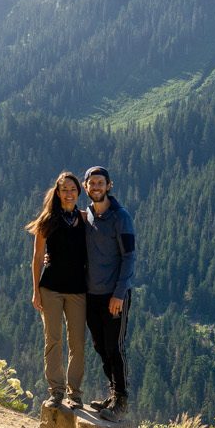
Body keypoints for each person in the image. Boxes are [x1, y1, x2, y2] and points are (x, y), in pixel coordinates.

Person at [27, 171, 89, 406]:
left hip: (77, 289)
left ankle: (75, 393)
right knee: (52, 340)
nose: (69, 193)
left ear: (78, 192)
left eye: (73, 189)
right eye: (65, 189)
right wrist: (35, 290)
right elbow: (37, 256)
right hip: (50, 288)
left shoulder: (85, 219)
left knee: (77, 343)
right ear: (58, 192)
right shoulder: (47, 220)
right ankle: (56, 391)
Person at [78, 165, 136, 415]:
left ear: (109, 186)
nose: (96, 187)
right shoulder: (88, 215)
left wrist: (119, 294)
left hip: (115, 295)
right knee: (100, 346)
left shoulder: (121, 217)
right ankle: (112, 394)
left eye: (101, 183)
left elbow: (130, 257)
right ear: (86, 187)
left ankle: (121, 400)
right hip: (92, 294)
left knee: (115, 347)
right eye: (92, 184)